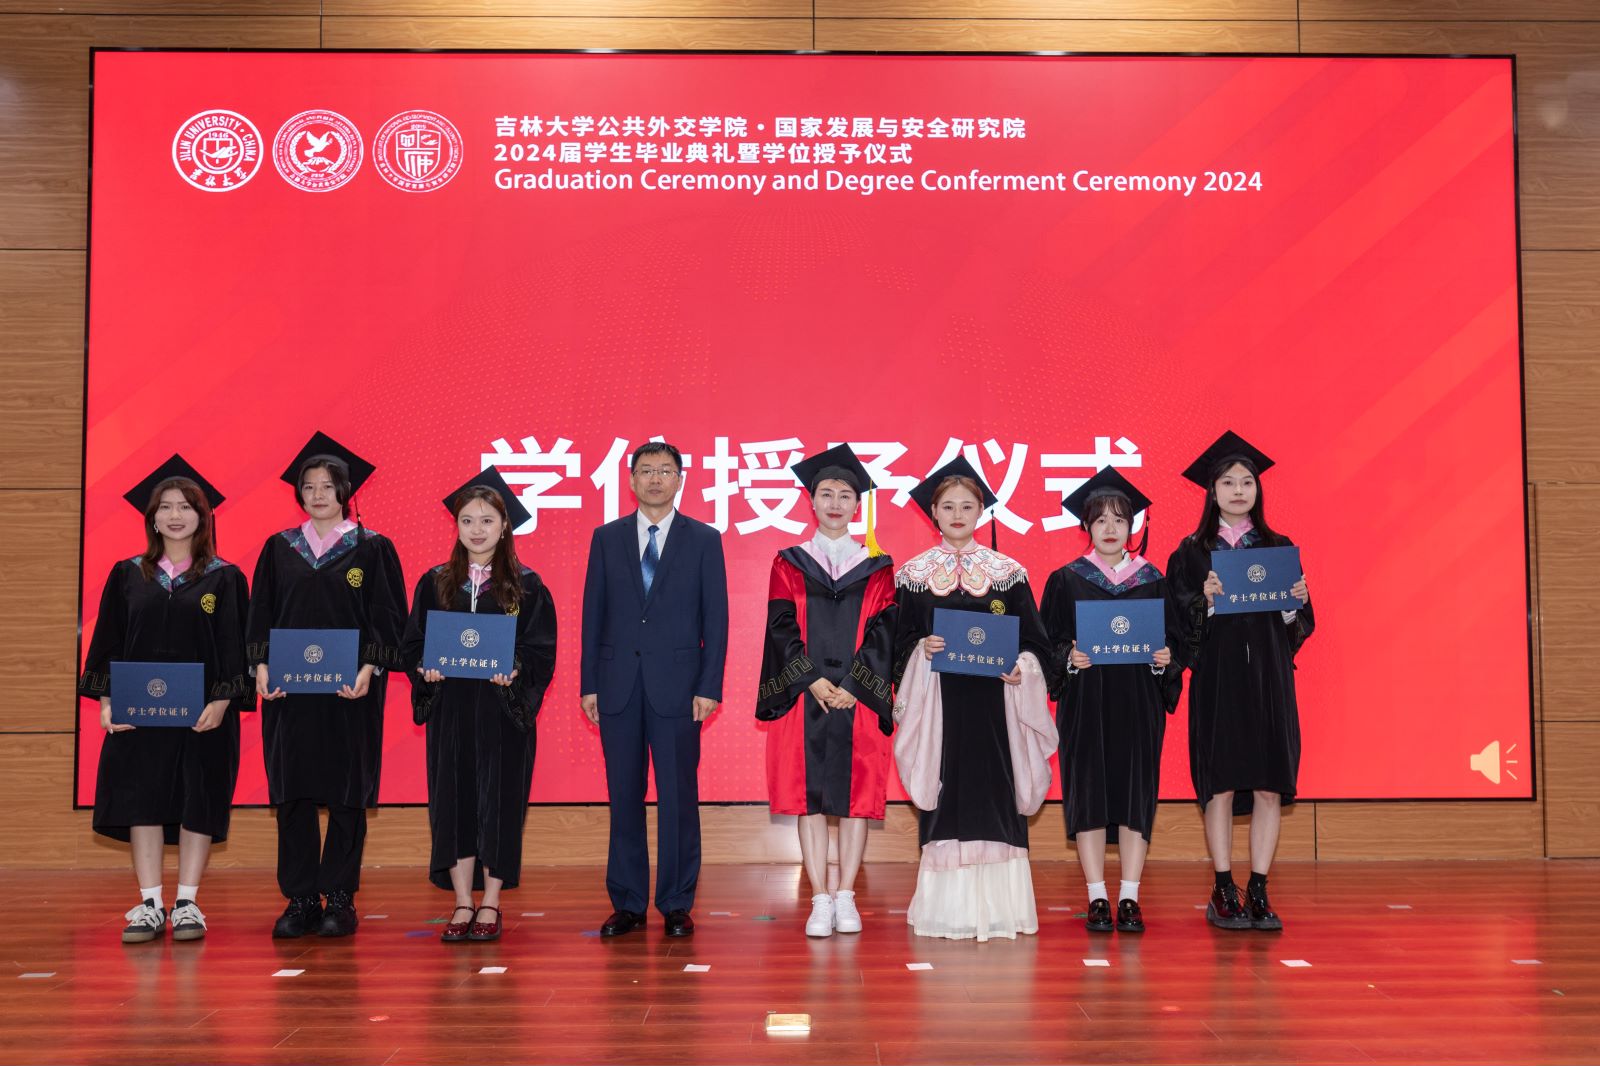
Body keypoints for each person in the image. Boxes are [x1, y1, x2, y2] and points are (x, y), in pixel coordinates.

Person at [78, 455, 252, 943]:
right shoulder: (127, 575)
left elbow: (234, 647)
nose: (176, 516)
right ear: (152, 517)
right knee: (144, 802)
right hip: (141, 714)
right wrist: (108, 703)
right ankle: (151, 904)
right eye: (166, 507)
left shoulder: (225, 577)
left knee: (199, 800)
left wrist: (222, 703)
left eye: (186, 507)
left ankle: (188, 903)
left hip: (203, 715)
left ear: (203, 516)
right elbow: (108, 644)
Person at [246, 432, 407, 939]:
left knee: (346, 792)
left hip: (350, 692)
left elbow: (388, 617)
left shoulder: (372, 547)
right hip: (289, 693)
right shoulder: (279, 548)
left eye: (328, 486)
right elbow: (260, 613)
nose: (318, 494)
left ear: (345, 491)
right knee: (292, 792)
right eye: (309, 486)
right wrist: (261, 667)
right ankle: (300, 898)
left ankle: (339, 896)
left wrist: (369, 668)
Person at [891, 456, 1057, 942]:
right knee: (945, 795)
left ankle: (1002, 912)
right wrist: (921, 650)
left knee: (997, 796)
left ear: (981, 511)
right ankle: (947, 912)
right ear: (933, 513)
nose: (958, 515)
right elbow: (899, 645)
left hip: (996, 708)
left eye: (967, 506)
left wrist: (1022, 668)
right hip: (940, 706)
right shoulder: (914, 576)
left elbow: (1037, 643)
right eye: (948, 507)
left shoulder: (1008, 573)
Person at [580, 441, 729, 938]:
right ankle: (627, 903)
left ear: (680, 480)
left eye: (666, 470)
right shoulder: (607, 538)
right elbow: (593, 614)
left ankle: (676, 902)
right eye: (646, 470)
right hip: (617, 685)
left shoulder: (704, 539)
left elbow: (716, 619)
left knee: (678, 798)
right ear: (631, 480)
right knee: (623, 795)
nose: (656, 479)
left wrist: (709, 685)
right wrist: (589, 683)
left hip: (680, 690)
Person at [403, 469, 558, 942]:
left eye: (487, 520)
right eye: (467, 520)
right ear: (456, 526)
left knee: (499, 804)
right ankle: (461, 902)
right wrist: (424, 669)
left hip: (501, 712)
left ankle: (490, 901)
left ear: (504, 525)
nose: (476, 529)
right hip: (451, 709)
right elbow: (413, 643)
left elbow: (541, 649)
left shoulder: (527, 586)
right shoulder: (436, 582)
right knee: (453, 802)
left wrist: (515, 669)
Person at [1166, 431, 1313, 931]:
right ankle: (1224, 887)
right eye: (1228, 482)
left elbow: (1298, 626)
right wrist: (1203, 602)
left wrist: (1294, 603)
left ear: (1257, 490)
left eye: (1246, 482)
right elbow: (1175, 625)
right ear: (1212, 490)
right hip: (1219, 682)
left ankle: (1260, 889)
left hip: (1269, 682)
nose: (1237, 490)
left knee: (1270, 785)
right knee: (1221, 785)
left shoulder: (1277, 547)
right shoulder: (1192, 552)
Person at [756, 445, 897, 938]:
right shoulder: (788, 562)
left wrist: (855, 685)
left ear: (858, 505)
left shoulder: (877, 565)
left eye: (845, 495)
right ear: (811, 501)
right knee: (808, 797)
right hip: (805, 694)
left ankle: (846, 895)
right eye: (826, 494)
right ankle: (819, 897)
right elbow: (780, 626)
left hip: (857, 697)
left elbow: (885, 631)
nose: (835, 503)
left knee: (857, 796)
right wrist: (811, 679)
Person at [1039, 468, 1182, 934]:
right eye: (1100, 519)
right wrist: (1068, 657)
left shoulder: (1153, 580)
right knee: (1090, 793)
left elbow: (1175, 642)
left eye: (1120, 519)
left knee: (1136, 793)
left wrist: (1165, 660)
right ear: (1086, 525)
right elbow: (1044, 644)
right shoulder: (1065, 580)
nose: (1110, 528)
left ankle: (1130, 896)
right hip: (1086, 702)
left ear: (1132, 525)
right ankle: (1097, 895)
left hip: (1138, 702)